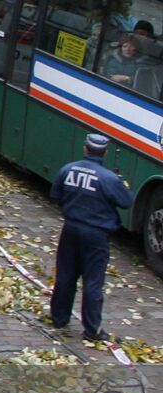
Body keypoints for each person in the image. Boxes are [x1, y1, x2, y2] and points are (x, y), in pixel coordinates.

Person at [49, 133, 134, 342]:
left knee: (66, 276)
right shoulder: (109, 178)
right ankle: (92, 329)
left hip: (70, 229)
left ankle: (59, 318)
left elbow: (55, 196)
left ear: (85, 148)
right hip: (96, 235)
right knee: (93, 282)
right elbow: (126, 201)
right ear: (104, 152)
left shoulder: (68, 169)